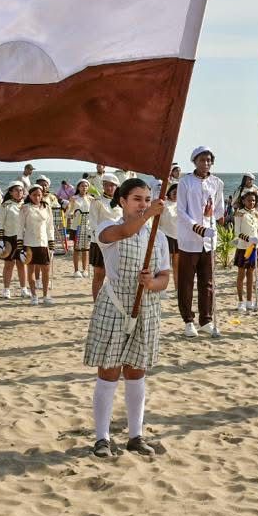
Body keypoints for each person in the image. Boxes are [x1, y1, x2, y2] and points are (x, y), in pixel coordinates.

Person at [85, 178, 171, 458]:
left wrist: (152, 283)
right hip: (114, 305)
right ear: (122, 201)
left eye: (147, 199)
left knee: (136, 372)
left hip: (146, 308)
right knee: (109, 371)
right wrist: (148, 216)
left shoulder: (157, 236)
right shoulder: (106, 227)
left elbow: (165, 277)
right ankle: (102, 438)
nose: (143, 204)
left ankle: (136, 435)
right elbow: (123, 232)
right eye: (137, 198)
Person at [175, 146, 224, 338]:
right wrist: (197, 227)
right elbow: (181, 211)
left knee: (208, 282)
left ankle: (206, 319)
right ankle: (188, 320)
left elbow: (219, 209)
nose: (206, 163)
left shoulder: (217, 183)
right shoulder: (185, 182)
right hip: (189, 238)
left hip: (209, 240)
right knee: (187, 282)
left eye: (209, 160)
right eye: (202, 160)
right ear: (195, 161)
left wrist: (214, 217)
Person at [20, 184, 56, 305]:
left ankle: (45, 295)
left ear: (42, 195)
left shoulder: (47, 208)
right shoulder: (24, 208)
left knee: (45, 270)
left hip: (43, 243)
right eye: (34, 195)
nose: (37, 197)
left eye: (39, 195)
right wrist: (20, 246)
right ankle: (34, 295)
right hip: (29, 243)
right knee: (30, 270)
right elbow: (20, 228)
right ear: (29, 195)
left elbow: (50, 227)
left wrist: (51, 244)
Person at [89, 173, 122, 300]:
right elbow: (93, 223)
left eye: (112, 186)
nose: (109, 188)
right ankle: (96, 302)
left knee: (115, 275)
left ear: (116, 187)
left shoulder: (121, 203)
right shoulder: (97, 202)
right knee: (99, 274)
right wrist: (101, 238)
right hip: (100, 242)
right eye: (106, 185)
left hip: (117, 242)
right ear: (103, 186)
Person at [233, 188, 258, 313]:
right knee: (241, 275)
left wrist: (257, 240)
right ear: (243, 201)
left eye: (254, 200)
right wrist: (249, 239)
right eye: (249, 200)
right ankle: (241, 301)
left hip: (253, 248)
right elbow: (237, 232)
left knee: (251, 274)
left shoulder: (256, 213)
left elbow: (256, 230)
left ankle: (250, 300)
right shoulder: (239, 213)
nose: (252, 203)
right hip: (243, 247)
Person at [0, 181, 26, 298]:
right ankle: (6, 289)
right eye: (16, 190)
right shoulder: (5, 206)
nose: (19, 193)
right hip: (9, 238)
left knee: (21, 264)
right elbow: (0, 223)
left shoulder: (26, 205)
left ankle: (23, 289)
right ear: (10, 192)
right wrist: (0, 240)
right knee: (9, 264)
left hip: (23, 239)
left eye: (21, 190)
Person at [67, 178, 93, 278]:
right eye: (82, 186)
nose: (84, 188)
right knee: (77, 248)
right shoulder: (74, 198)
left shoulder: (91, 199)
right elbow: (69, 212)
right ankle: (76, 270)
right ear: (78, 187)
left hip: (87, 226)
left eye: (86, 186)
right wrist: (72, 213)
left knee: (86, 249)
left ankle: (85, 269)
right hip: (76, 226)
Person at [159, 182, 179, 294]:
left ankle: (177, 289)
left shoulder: (182, 204)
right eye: (174, 192)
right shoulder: (164, 204)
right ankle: (162, 289)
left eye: (178, 193)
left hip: (179, 237)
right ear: (170, 192)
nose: (176, 194)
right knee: (165, 265)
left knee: (177, 266)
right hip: (166, 236)